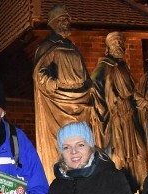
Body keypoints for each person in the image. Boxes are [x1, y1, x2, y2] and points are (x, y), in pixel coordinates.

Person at [32, 4, 104, 183]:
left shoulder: (72, 46)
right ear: (53, 23)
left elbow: (83, 73)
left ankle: (87, 176)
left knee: (83, 141)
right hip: (59, 103)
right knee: (66, 141)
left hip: (81, 100)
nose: (66, 23)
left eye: (67, 20)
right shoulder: (49, 46)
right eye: (62, 20)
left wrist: (90, 86)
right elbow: (39, 73)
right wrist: (54, 83)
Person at [91, 31, 148, 190]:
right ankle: (121, 189)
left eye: (120, 44)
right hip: (117, 119)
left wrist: (144, 102)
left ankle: (141, 185)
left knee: (141, 152)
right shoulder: (105, 65)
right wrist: (103, 109)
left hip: (130, 116)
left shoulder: (123, 67)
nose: (118, 47)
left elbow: (131, 91)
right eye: (115, 44)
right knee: (120, 155)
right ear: (108, 48)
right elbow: (94, 83)